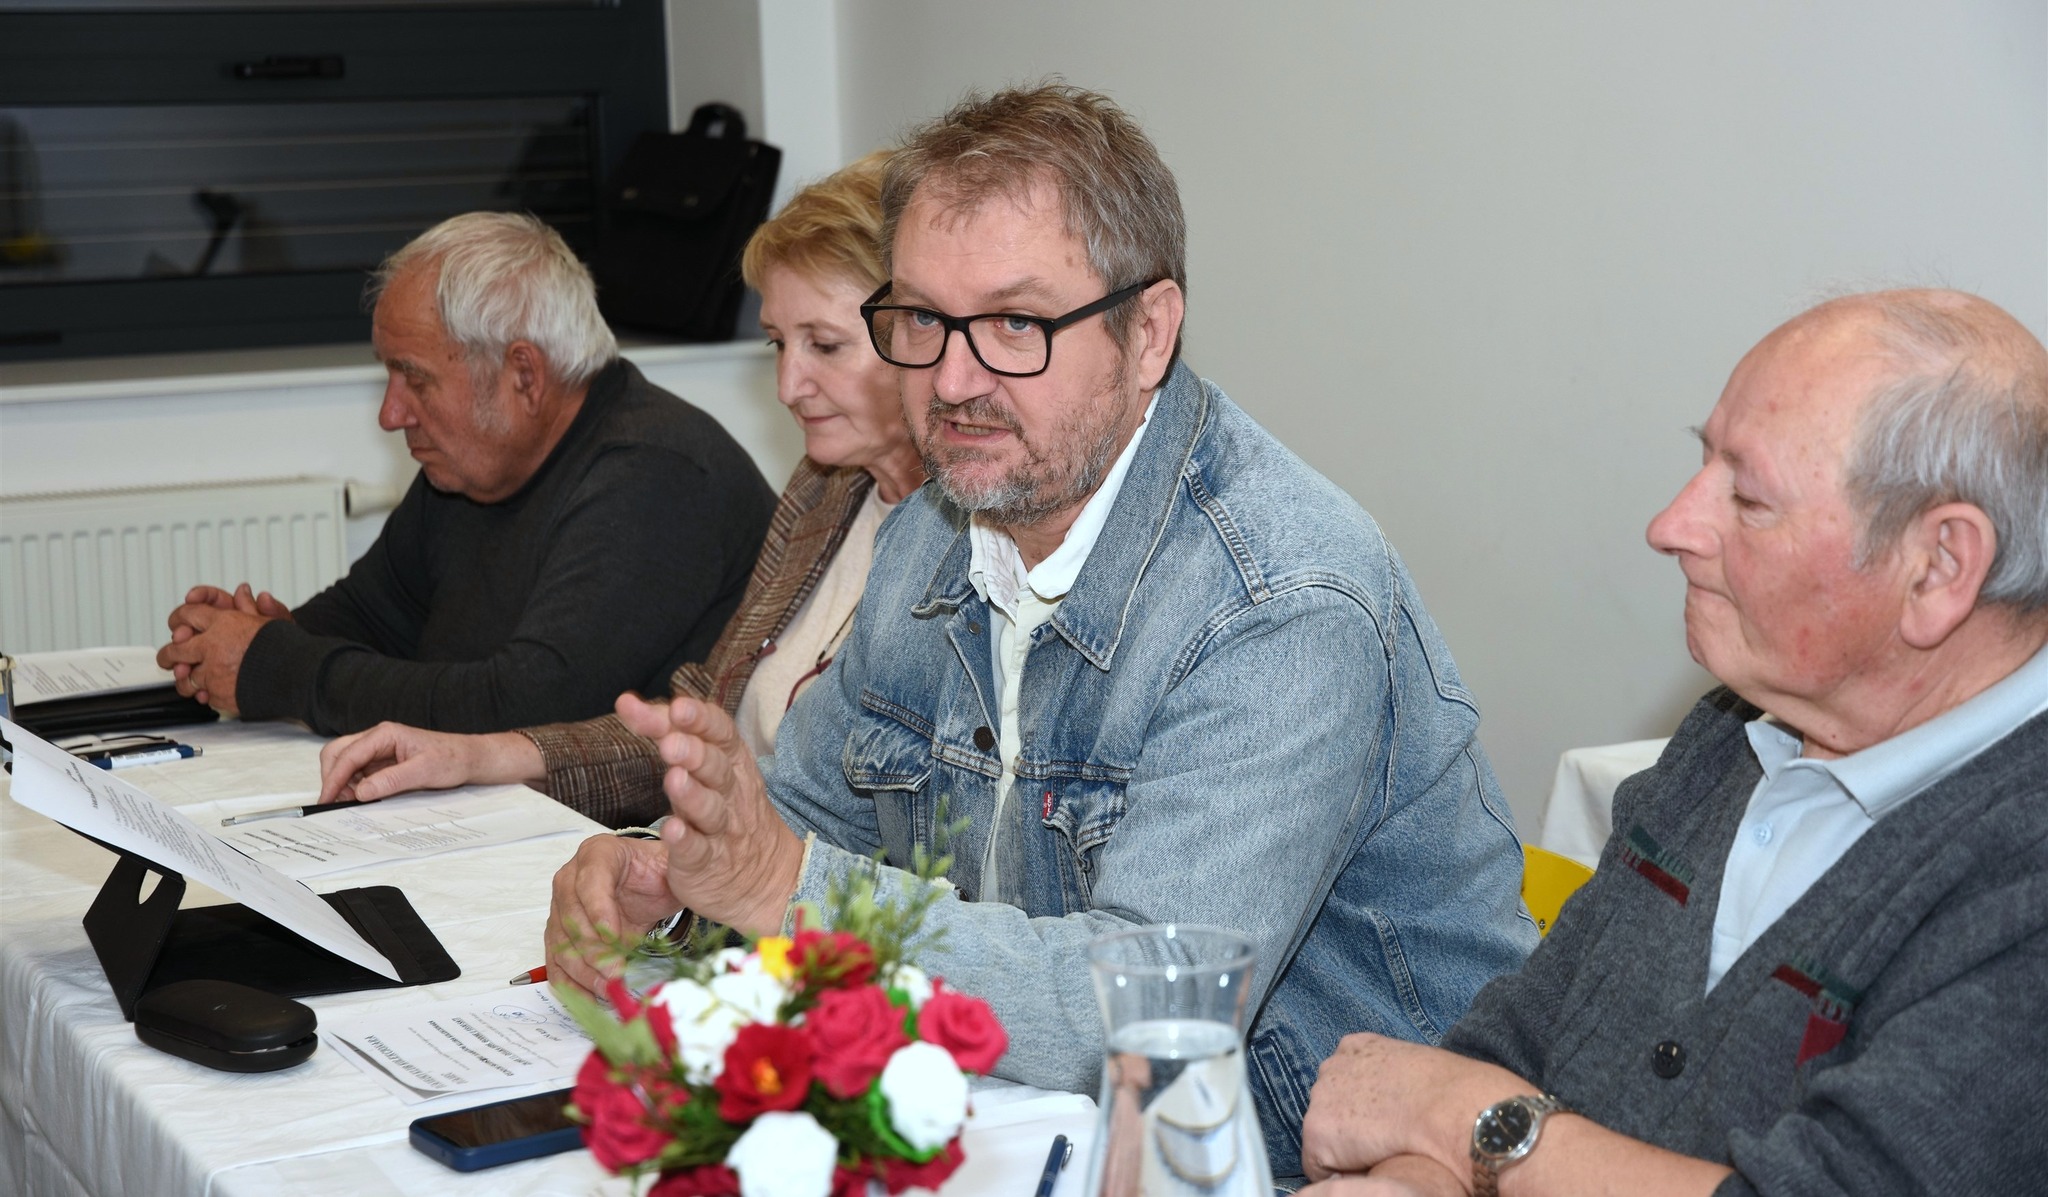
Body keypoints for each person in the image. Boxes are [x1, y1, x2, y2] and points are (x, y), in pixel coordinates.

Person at [541, 84, 1535, 1182]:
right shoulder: (934, 531)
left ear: (1147, 333)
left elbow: (1137, 1014)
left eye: (1015, 323)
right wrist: (676, 887)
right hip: (1027, 1122)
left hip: (1330, 1161)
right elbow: (799, 826)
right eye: (922, 320)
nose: (951, 380)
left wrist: (783, 887)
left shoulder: (1282, 603)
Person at [1297, 289, 2048, 1197]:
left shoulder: (2021, 870)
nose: (1671, 526)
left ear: (1939, 567)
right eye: (1704, 461)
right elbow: (1516, 1042)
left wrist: (1467, 1123)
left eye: (1749, 498)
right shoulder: (1733, 734)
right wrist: (1416, 1179)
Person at [314, 153, 925, 827]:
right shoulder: (823, 493)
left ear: (924, 333)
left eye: (825, 346)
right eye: (778, 344)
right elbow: (700, 723)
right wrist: (477, 756)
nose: (787, 387)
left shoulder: (971, 539)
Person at [156, 212, 776, 736]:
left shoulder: (655, 478)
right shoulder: (470, 468)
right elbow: (372, 617)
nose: (390, 415)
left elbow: (527, 712)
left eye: (415, 379)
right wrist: (252, 639)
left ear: (524, 376)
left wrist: (278, 668)